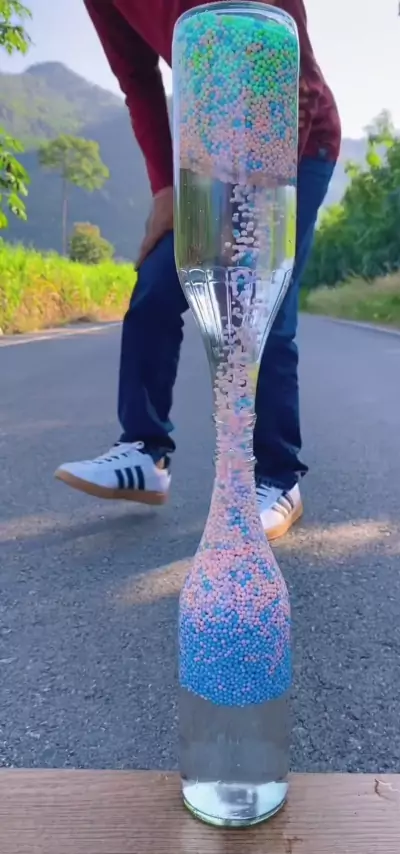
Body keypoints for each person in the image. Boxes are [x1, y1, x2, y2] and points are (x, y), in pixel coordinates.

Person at [55, 0, 341, 541]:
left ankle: (278, 477)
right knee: (156, 284)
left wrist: (259, 191)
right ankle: (144, 450)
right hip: (209, 148)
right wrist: (166, 188)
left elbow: (292, 62)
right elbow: (138, 80)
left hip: (294, 138)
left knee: (260, 304)